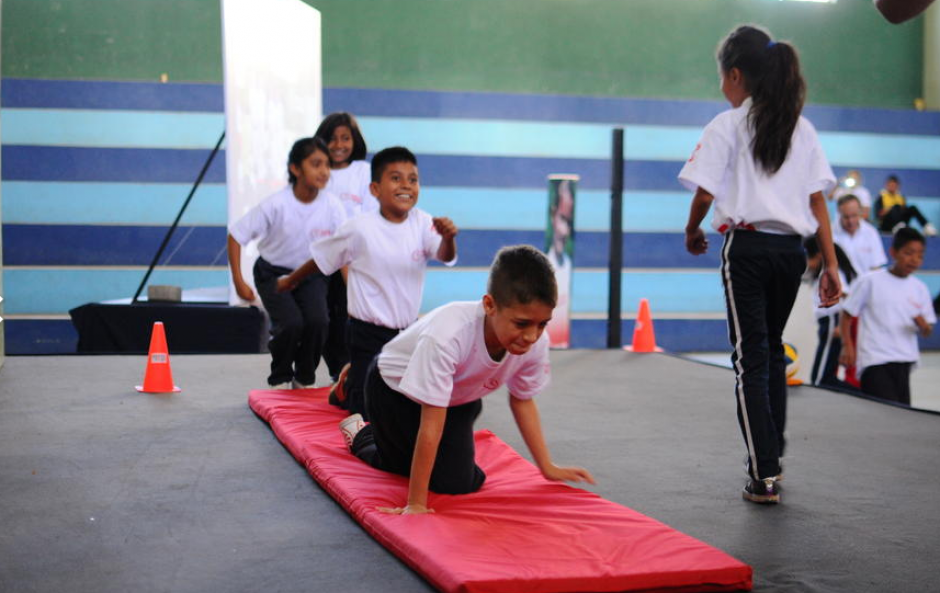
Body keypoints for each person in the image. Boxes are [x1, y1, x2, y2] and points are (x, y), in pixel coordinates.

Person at [679, 25, 841, 504]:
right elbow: (817, 204)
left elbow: (705, 193)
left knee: (750, 356)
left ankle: (763, 472)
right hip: (790, 254)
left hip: (747, 250)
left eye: (721, 79)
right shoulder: (801, 127)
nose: (721, 88)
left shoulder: (727, 125)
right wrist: (830, 266)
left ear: (735, 75)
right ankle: (773, 455)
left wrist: (692, 231)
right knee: (770, 349)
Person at [338, 245, 595, 514]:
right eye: (521, 324)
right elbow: (431, 424)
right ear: (489, 305)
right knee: (398, 466)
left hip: (459, 395)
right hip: (394, 391)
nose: (532, 336)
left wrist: (547, 467)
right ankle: (361, 432)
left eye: (542, 323)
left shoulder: (535, 341)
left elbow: (522, 400)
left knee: (458, 483)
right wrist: (415, 503)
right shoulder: (448, 335)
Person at [277, 146, 458, 419]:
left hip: (407, 332)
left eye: (413, 179)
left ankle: (350, 381)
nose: (406, 185)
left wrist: (448, 238)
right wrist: (291, 280)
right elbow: (322, 258)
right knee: (365, 413)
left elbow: (445, 255)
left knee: (405, 405)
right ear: (375, 189)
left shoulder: (424, 224)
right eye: (396, 178)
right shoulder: (359, 228)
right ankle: (348, 388)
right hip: (366, 331)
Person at [227, 137, 347, 389]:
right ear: (295, 168)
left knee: (318, 322)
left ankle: (304, 377)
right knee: (291, 324)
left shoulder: (333, 207)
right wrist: (239, 282)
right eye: (316, 164)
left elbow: (342, 250)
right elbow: (236, 236)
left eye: (327, 165)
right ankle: (281, 373)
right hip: (273, 274)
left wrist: (351, 289)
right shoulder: (276, 205)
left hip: (312, 275)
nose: (324, 171)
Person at [839, 227, 936, 405]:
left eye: (920, 255)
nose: (914, 260)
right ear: (893, 252)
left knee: (902, 416)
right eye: (909, 253)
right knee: (885, 412)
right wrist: (847, 346)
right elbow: (846, 313)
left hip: (904, 360)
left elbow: (928, 330)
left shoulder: (919, 288)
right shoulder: (870, 281)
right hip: (874, 360)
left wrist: (924, 326)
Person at [314, 112, 377, 385]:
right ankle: (332, 371)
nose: (339, 144)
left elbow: (371, 211)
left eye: (345, 138)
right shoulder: (316, 171)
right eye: (332, 139)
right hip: (321, 258)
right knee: (322, 318)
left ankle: (351, 371)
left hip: (355, 258)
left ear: (355, 141)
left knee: (349, 316)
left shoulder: (363, 171)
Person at [803, 238, 857, 389]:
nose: (807, 263)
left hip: (833, 321)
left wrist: (842, 325)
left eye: (808, 258)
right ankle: (858, 393)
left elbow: (848, 295)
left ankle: (860, 394)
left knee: (820, 378)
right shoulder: (819, 273)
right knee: (826, 375)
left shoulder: (831, 272)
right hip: (827, 322)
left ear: (819, 256)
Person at [833, 194, 887, 274]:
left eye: (854, 215)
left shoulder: (871, 232)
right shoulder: (830, 233)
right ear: (839, 213)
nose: (850, 221)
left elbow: (876, 266)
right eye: (846, 217)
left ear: (860, 211)